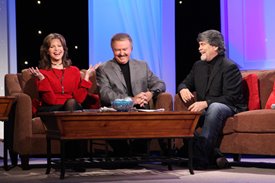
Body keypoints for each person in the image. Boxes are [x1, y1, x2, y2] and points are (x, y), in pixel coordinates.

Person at [177, 30, 247, 169]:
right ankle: (214, 156)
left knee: (215, 107)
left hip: (229, 107)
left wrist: (205, 103)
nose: (199, 48)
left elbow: (231, 97)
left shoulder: (229, 67)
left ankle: (200, 159)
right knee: (185, 117)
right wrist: (183, 88)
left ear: (215, 46)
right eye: (199, 45)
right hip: (207, 108)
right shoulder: (198, 66)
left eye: (203, 44)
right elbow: (185, 83)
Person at [29, 33, 99, 171]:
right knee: (71, 105)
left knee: (72, 104)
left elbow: (79, 99)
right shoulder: (43, 72)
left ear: (64, 49)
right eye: (52, 47)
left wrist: (85, 78)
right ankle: (75, 158)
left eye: (59, 46)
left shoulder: (73, 71)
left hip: (71, 107)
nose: (56, 49)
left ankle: (71, 158)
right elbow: (50, 100)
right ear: (47, 51)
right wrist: (42, 80)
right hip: (51, 109)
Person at [96, 33, 166, 156]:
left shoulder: (142, 65)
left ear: (131, 49)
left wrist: (151, 94)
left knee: (149, 127)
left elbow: (160, 84)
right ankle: (126, 153)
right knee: (125, 152)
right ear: (112, 50)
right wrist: (131, 100)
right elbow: (105, 94)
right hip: (117, 112)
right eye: (117, 50)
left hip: (141, 111)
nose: (121, 53)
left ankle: (133, 153)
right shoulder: (104, 69)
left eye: (124, 49)